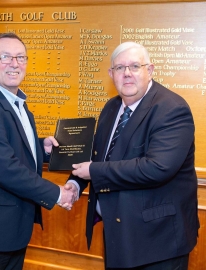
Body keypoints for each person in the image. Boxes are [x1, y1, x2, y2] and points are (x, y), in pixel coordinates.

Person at [66, 42, 199, 269]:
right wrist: (75, 183)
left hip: (158, 242)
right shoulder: (111, 108)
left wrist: (93, 172)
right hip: (118, 235)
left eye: (135, 66)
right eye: (119, 68)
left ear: (150, 70)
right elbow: (100, 155)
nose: (127, 73)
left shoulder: (171, 109)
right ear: (111, 74)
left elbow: (157, 168)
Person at [0, 32, 75, 270]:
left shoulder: (17, 102)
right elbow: (5, 168)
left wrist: (42, 147)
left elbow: (12, 147)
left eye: (21, 57)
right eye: (6, 57)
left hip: (13, 227)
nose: (15, 64)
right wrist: (57, 194)